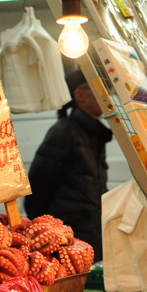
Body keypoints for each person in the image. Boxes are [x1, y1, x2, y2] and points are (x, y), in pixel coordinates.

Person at [24, 68, 112, 259]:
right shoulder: (63, 132)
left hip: (91, 237)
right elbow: (37, 189)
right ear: (80, 95)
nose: (107, 96)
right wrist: (48, 233)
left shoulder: (95, 133)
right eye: (99, 90)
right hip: (67, 241)